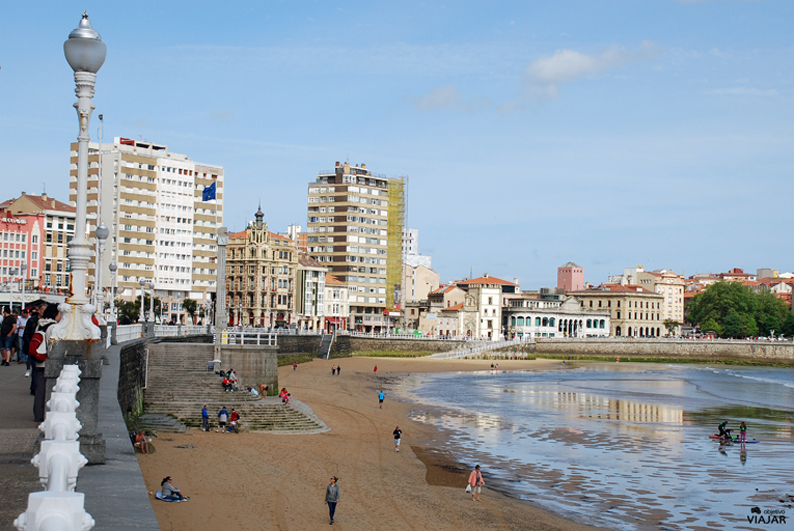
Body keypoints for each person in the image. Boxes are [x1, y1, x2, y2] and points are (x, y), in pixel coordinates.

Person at [29, 303, 60, 422]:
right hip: (47, 361)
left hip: (39, 360)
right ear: (54, 314)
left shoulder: (40, 325)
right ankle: (42, 414)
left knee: (40, 387)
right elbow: (53, 346)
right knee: (45, 389)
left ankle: (38, 413)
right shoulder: (53, 327)